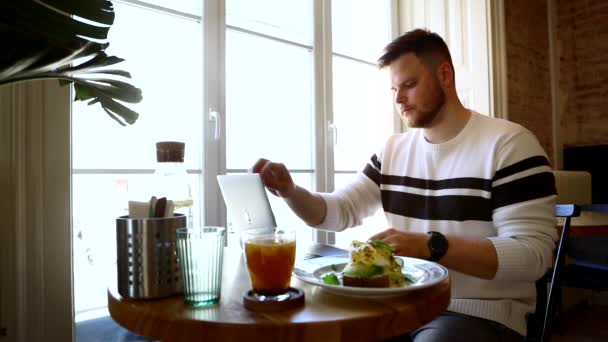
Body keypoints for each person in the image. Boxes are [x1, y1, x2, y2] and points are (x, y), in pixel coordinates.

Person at [251, 28, 557, 341]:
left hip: (479, 314)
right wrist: (290, 191)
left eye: (409, 85)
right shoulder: (392, 150)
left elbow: (533, 256)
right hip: (400, 308)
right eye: (394, 89)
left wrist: (431, 246)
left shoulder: (509, 144)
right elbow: (338, 212)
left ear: (444, 75)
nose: (398, 98)